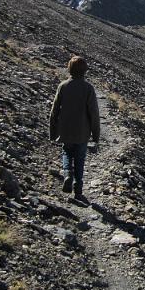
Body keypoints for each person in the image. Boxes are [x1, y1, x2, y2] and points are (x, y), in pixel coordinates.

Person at [49, 56, 100, 200]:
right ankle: (78, 187)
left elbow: (54, 110)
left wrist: (53, 132)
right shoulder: (88, 88)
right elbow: (94, 114)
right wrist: (96, 135)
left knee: (66, 152)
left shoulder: (63, 86)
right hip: (82, 132)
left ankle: (67, 175)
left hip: (65, 130)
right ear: (85, 71)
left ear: (69, 69)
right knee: (80, 158)